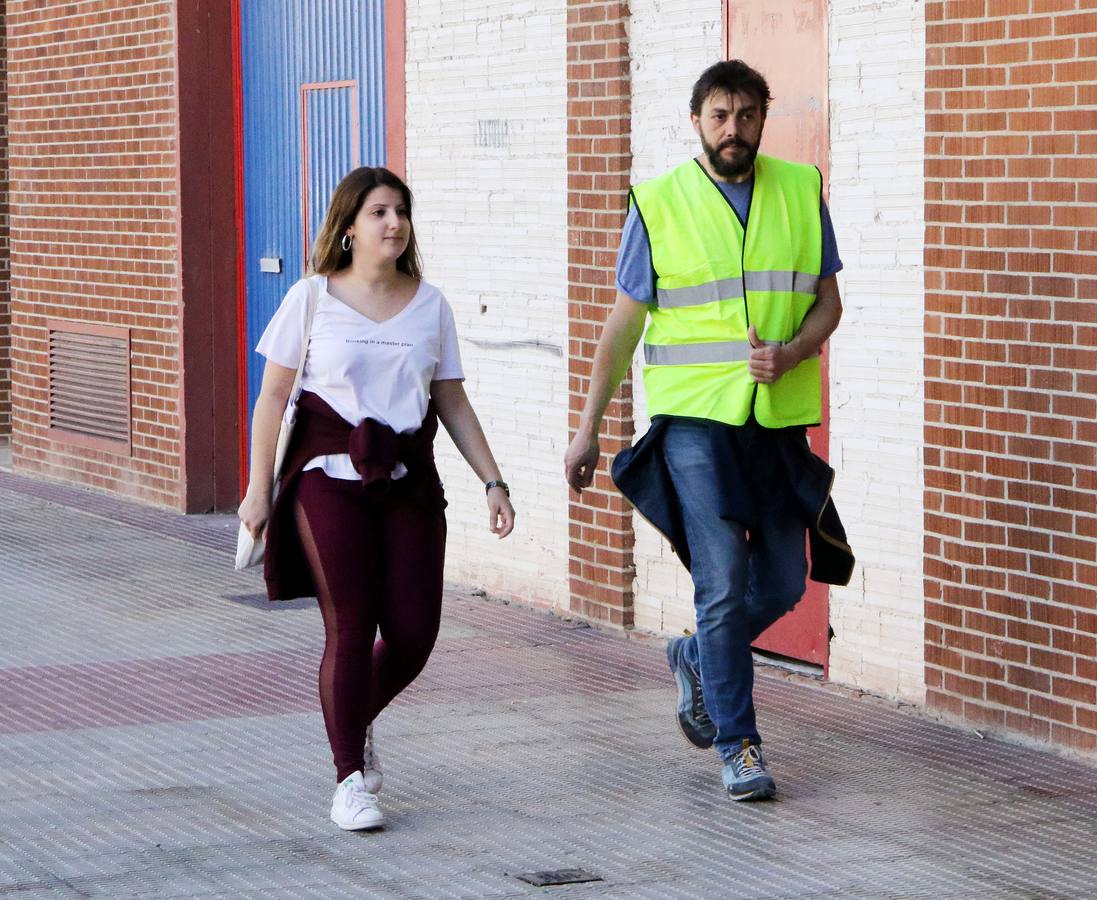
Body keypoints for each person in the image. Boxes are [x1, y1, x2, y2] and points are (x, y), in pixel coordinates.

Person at [564, 60, 854, 802]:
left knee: (787, 580)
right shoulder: (658, 203)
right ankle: (740, 743)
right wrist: (588, 426)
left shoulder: (799, 190)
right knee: (722, 581)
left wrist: (792, 352)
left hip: (775, 422)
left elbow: (829, 302)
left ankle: (696, 656)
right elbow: (623, 325)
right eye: (720, 115)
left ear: (764, 117)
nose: (734, 128)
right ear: (696, 120)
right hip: (694, 422)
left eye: (747, 114)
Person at [239, 166, 515, 830]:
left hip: (408, 482)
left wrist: (494, 480)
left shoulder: (432, 305)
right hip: (325, 480)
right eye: (379, 212)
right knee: (351, 625)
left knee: (415, 635)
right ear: (349, 226)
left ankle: (352, 718)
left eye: (401, 212)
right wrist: (256, 490)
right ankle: (348, 779)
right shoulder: (310, 299)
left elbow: (451, 400)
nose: (394, 223)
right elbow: (273, 400)